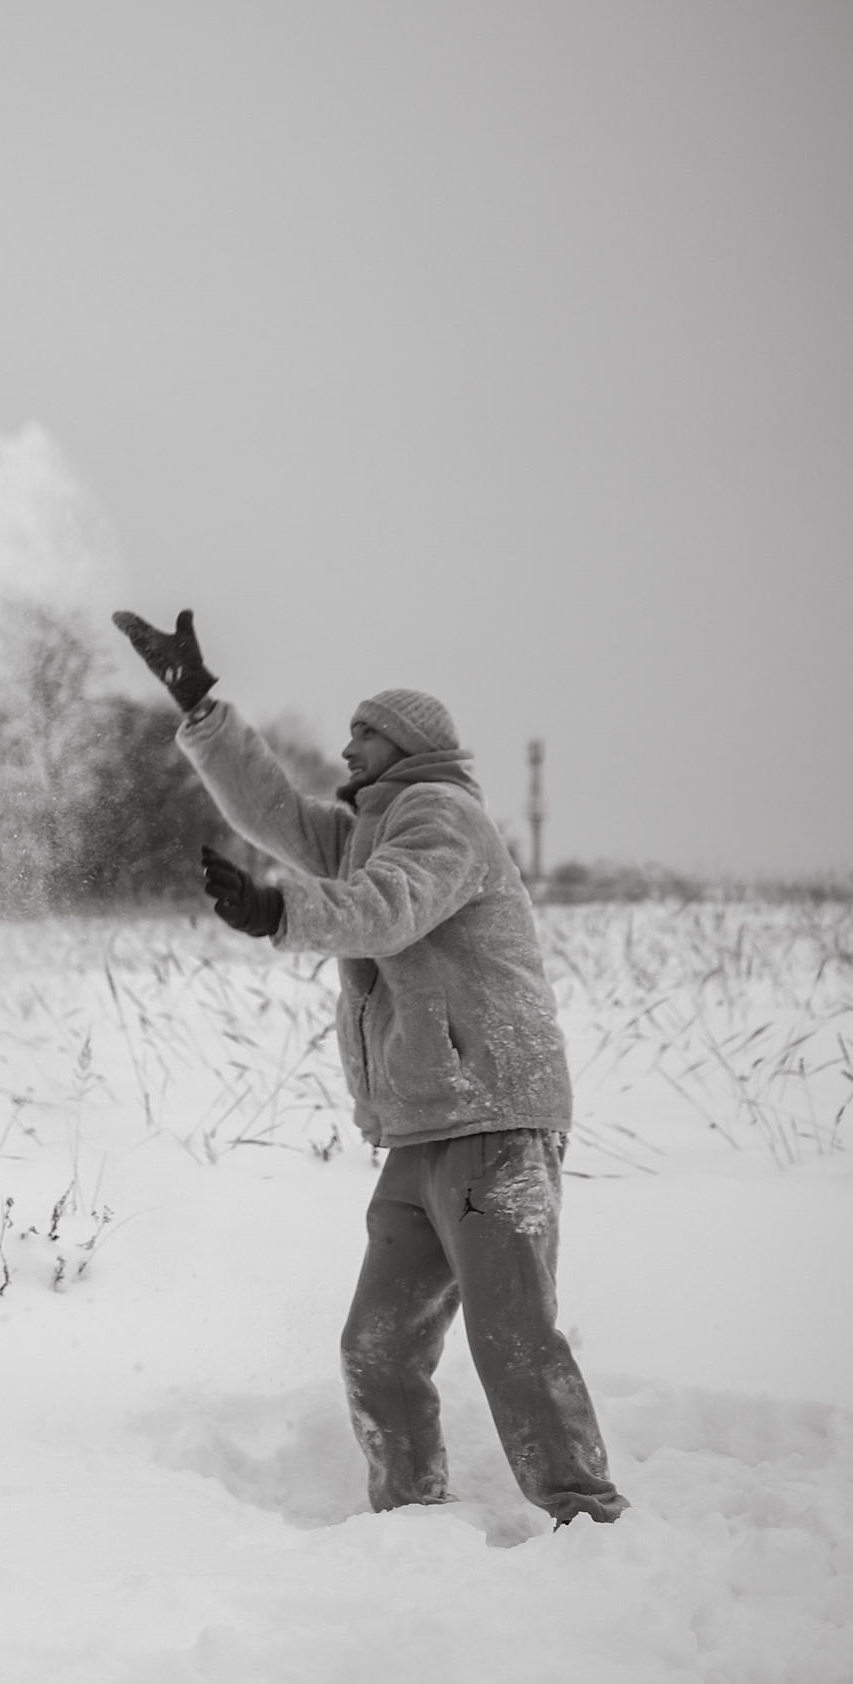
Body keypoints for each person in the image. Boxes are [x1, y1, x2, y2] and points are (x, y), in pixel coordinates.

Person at [114, 608, 626, 1526]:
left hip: (493, 1115)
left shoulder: (444, 819)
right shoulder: (366, 829)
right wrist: (201, 704)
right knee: (377, 1347)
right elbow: (270, 811)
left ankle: (587, 1515)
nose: (346, 749)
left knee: (512, 1336)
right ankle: (410, 1519)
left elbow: (388, 909)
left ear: (409, 745)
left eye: (364, 733)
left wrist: (281, 915)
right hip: (423, 1125)